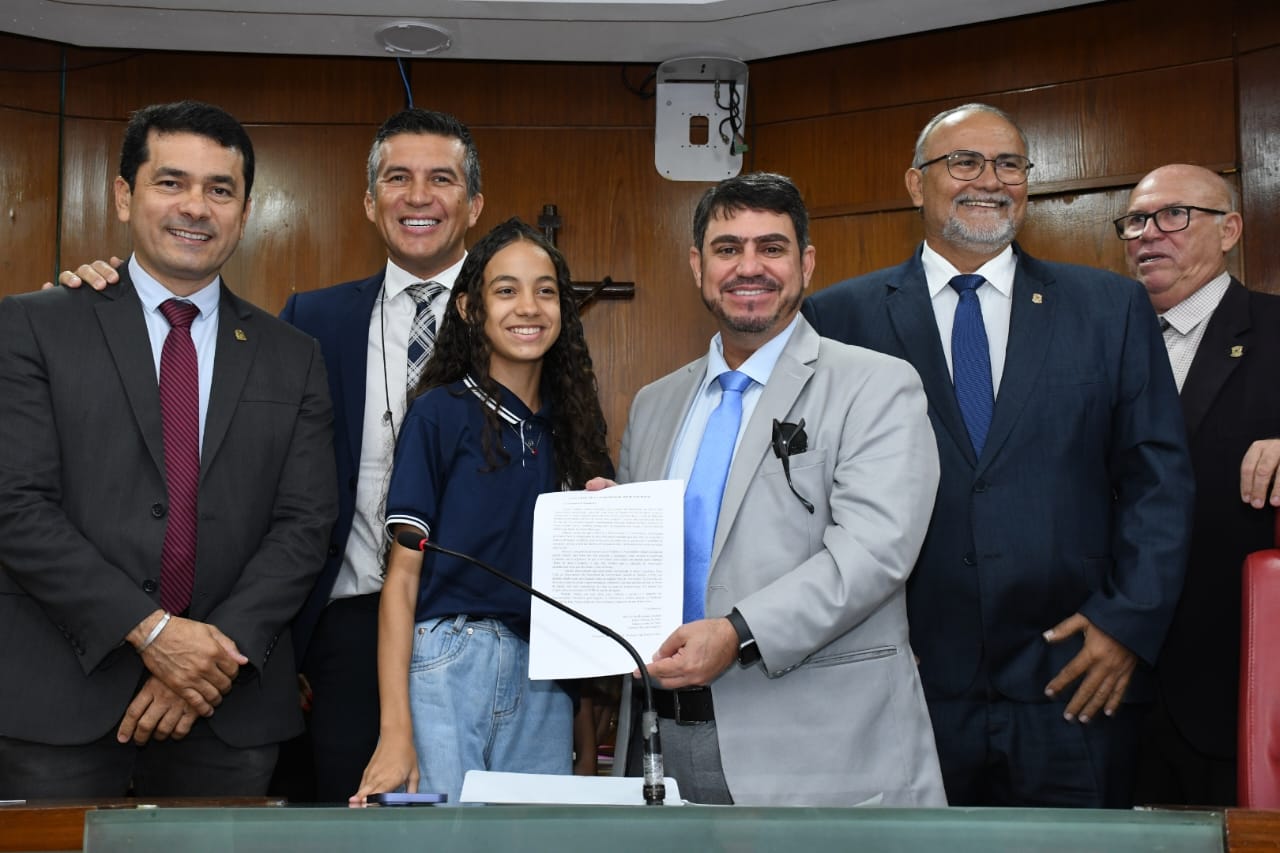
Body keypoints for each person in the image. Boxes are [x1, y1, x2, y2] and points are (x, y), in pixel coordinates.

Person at [53, 108, 485, 802]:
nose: (418, 196)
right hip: (344, 632)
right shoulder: (313, 322)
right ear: (368, 202)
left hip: (485, 627)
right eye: (397, 178)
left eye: (441, 178)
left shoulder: (525, 317)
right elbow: (288, 502)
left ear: (475, 204)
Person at [802, 103, 1196, 808]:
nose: (990, 180)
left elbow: (1157, 480)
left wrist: (1127, 624)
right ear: (916, 184)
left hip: (1077, 679)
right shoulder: (838, 319)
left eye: (1009, 164)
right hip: (905, 682)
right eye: (965, 162)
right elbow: (811, 496)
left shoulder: (1109, 308)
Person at [0, 100, 337, 797]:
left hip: (227, 706)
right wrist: (154, 634)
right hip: (59, 700)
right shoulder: (33, 326)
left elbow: (305, 526)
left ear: (245, 212)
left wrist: (206, 660)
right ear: (125, 196)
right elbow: (15, 504)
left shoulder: (294, 355)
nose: (196, 207)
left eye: (220, 190)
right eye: (171, 182)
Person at [604, 172, 946, 806]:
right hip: (659, 743)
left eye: (771, 247)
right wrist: (608, 531)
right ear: (697, 266)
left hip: (820, 755)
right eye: (727, 248)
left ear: (806, 264)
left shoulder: (876, 385)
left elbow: (874, 553)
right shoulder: (654, 404)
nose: (748, 267)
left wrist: (736, 632)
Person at [350, 217, 613, 805]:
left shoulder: (573, 432)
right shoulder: (437, 414)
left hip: (545, 676)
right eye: (506, 290)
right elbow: (401, 581)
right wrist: (395, 733)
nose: (529, 307)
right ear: (471, 308)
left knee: (531, 840)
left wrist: (584, 741)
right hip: (448, 659)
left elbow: (578, 605)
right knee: (442, 840)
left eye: (546, 291)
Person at [1119, 164, 1280, 806]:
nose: (1148, 234)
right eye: (1136, 220)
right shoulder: (1100, 341)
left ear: (1230, 230)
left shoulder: (1275, 328)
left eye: (1173, 215)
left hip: (1235, 681)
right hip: (1112, 688)